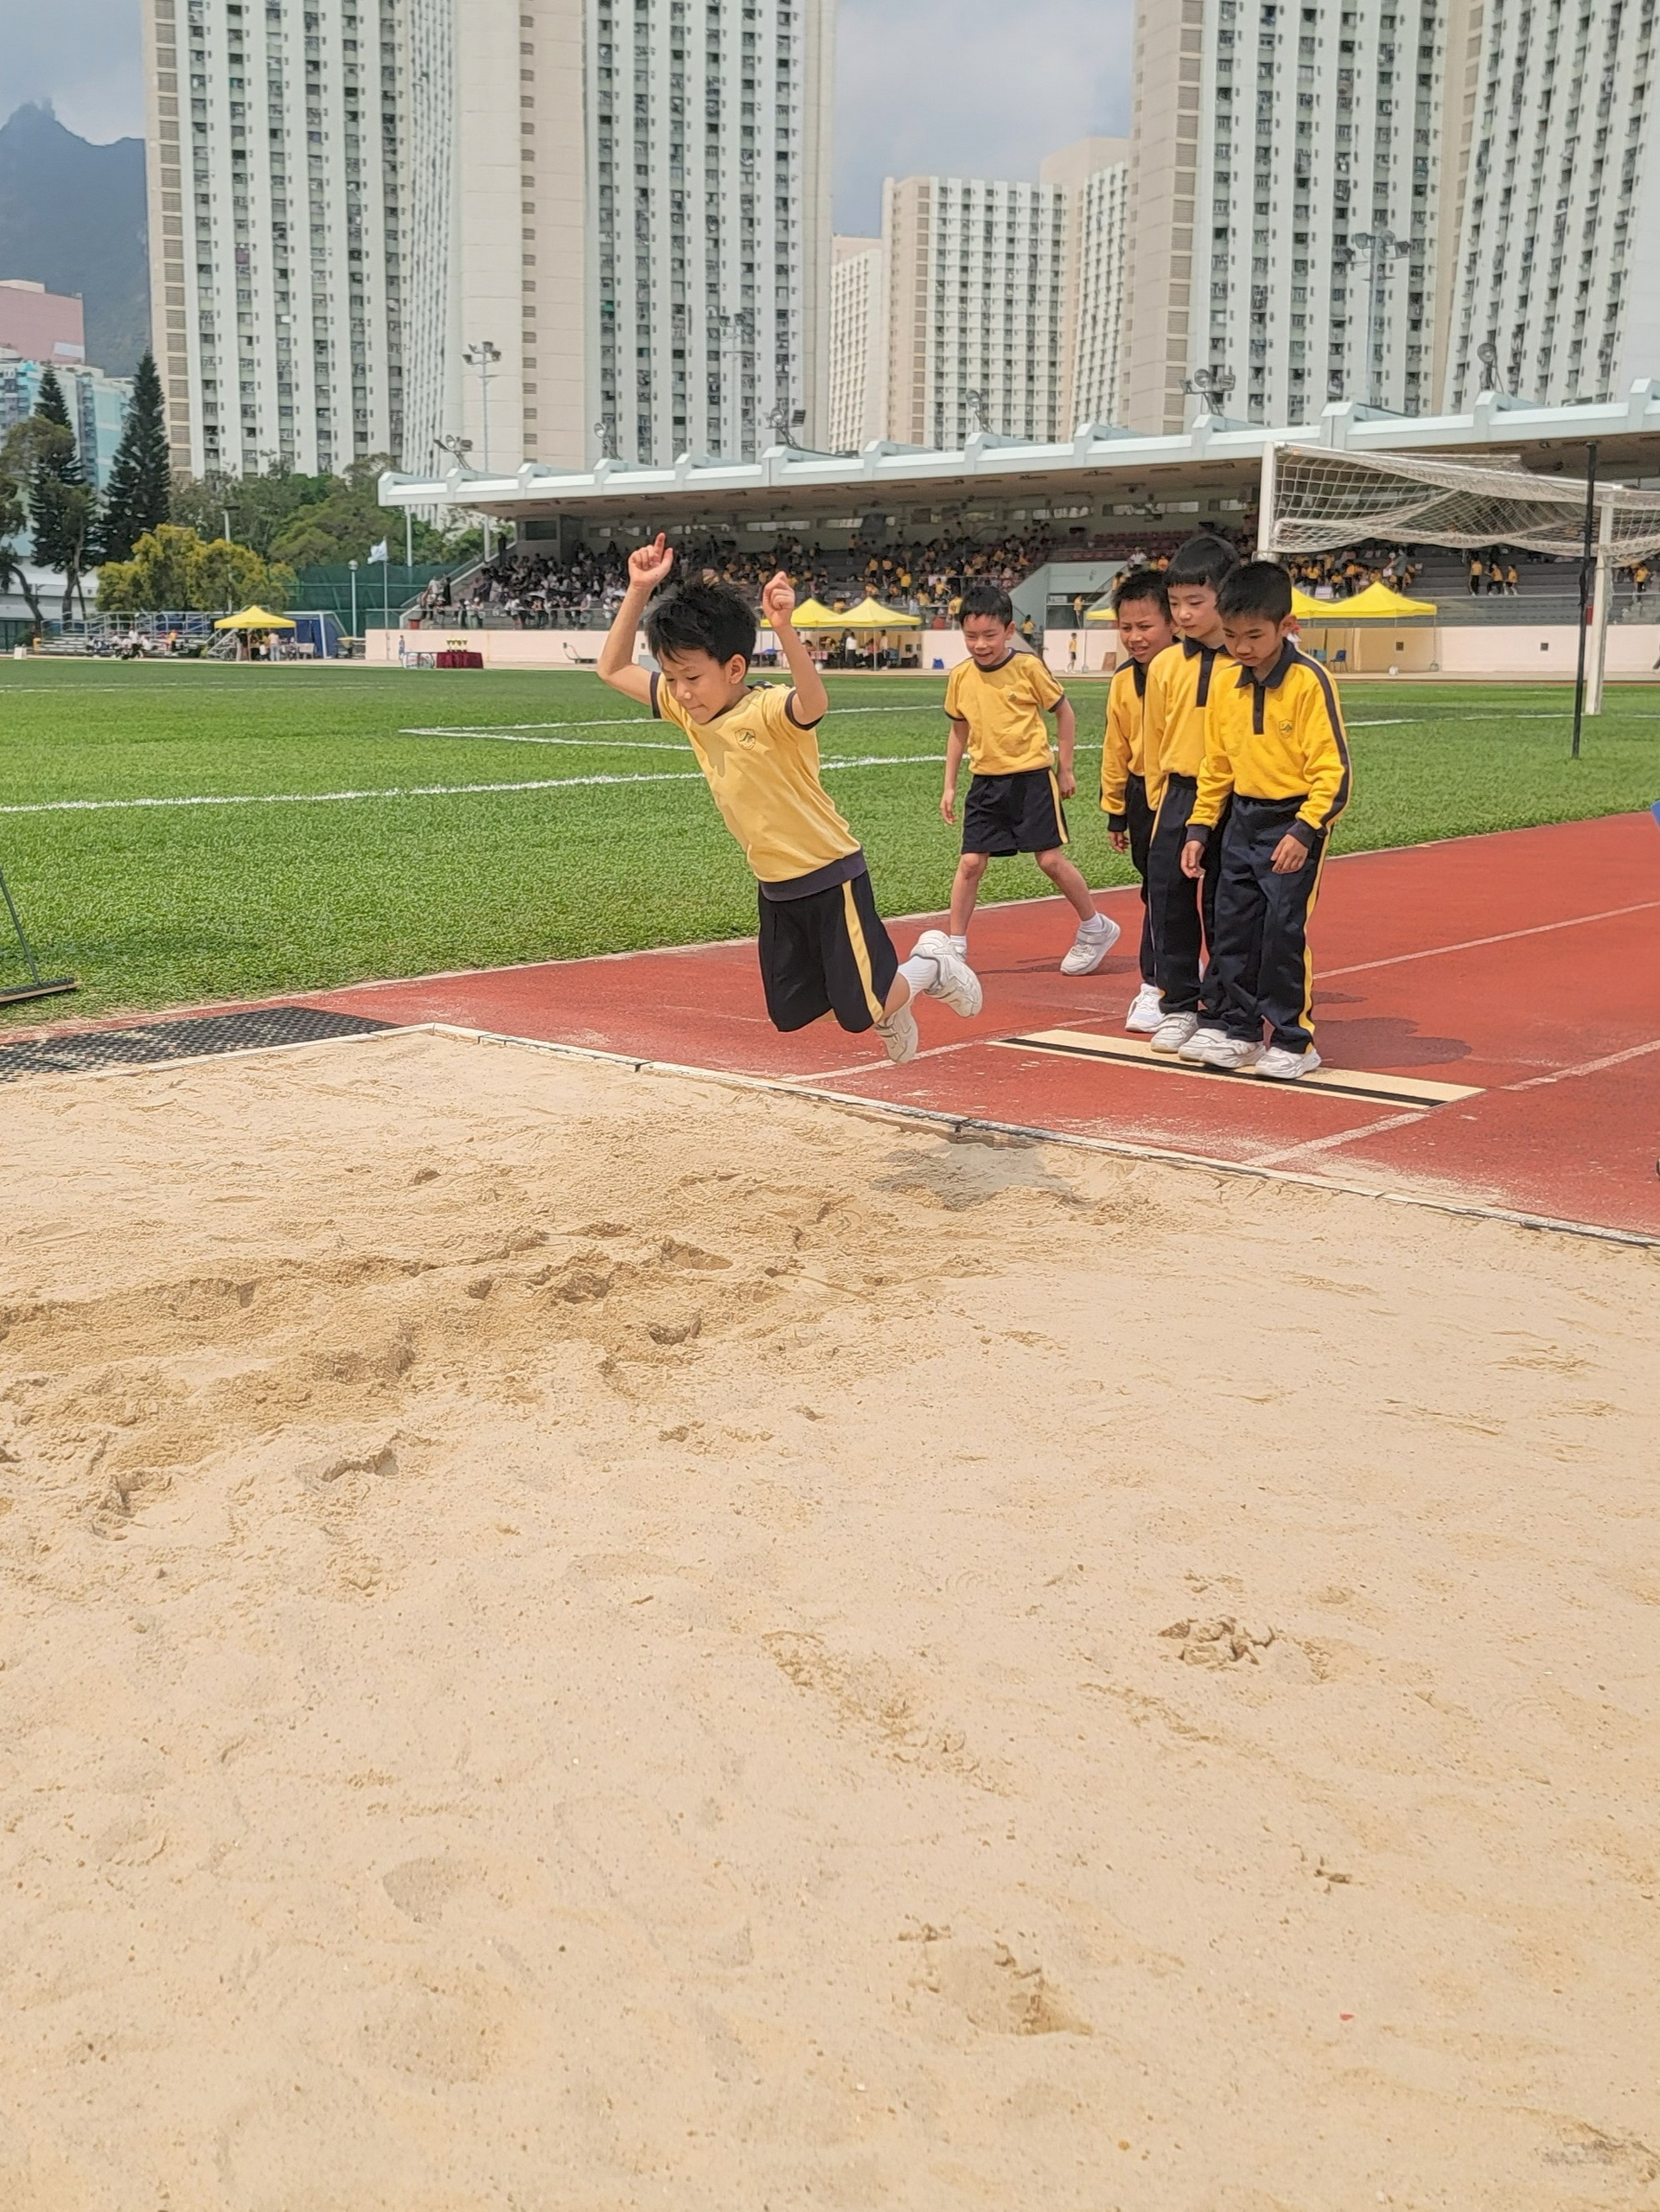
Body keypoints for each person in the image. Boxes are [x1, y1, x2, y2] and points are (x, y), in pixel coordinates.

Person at [597, 535, 981, 1066]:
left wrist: (784, 629)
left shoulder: (769, 710)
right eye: (674, 676)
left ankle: (931, 966)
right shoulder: (688, 708)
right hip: (776, 885)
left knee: (859, 1011)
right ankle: (887, 999)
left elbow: (813, 702)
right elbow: (612, 669)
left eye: (693, 677)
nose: (681, 691)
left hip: (830, 873)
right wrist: (639, 588)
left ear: (734, 669)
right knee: (792, 1011)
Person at [1176, 560, 1351, 1080]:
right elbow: (1217, 765)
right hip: (1241, 819)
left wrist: (1306, 829)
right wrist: (1199, 828)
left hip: (1293, 822)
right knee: (1232, 930)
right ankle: (1242, 1031)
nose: (1242, 647)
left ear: (1286, 626)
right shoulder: (1226, 683)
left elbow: (1334, 771)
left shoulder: (1309, 681)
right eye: (1231, 636)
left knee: (1281, 933)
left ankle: (1296, 1040)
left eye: (1254, 636)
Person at [939, 580, 1120, 976]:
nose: (980, 645)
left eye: (989, 635)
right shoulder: (961, 676)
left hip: (1032, 780)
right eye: (971, 636)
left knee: (1051, 860)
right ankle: (956, 947)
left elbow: (1064, 712)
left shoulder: (1027, 667)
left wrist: (1065, 768)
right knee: (970, 862)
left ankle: (1095, 927)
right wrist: (949, 785)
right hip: (985, 783)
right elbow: (958, 731)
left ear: (1009, 631)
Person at [1140, 532, 1239, 1053]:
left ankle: (1221, 1011)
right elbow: (1154, 737)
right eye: (1175, 603)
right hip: (1177, 795)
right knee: (1169, 902)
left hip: (1233, 798)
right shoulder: (1164, 665)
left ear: (1226, 596)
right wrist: (1159, 799)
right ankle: (1178, 1005)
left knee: (1226, 907)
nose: (1182, 614)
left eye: (1195, 602)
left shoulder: (1245, 662)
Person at [1100, 567, 1177, 1033]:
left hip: (1187, 792)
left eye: (1145, 626)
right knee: (1155, 890)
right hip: (1141, 795)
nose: (1135, 637)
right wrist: (1115, 810)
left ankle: (1168, 980)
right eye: (1126, 627)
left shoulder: (1190, 671)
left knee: (1200, 894)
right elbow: (1116, 747)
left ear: (1172, 622)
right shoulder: (1123, 680)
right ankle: (1157, 981)